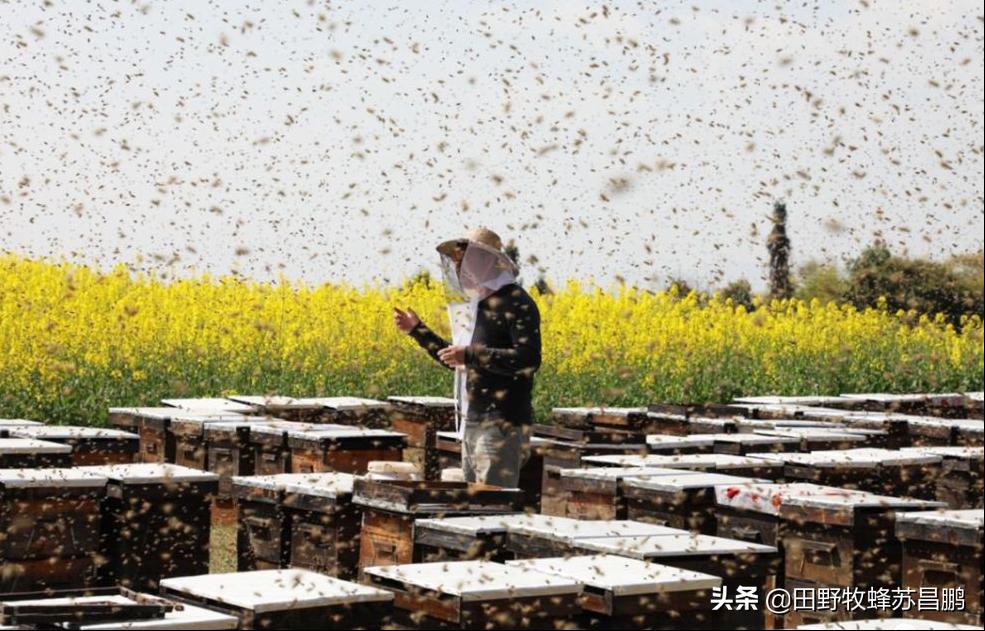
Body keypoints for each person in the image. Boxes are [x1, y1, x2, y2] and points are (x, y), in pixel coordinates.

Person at [392, 227, 542, 487]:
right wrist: (418, 331)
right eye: (457, 262)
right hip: (473, 420)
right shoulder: (478, 305)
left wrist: (470, 354)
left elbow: (528, 359)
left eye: (464, 260)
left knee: (493, 502)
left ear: (485, 260)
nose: (459, 268)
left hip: (501, 423)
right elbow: (459, 360)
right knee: (475, 504)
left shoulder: (516, 302)